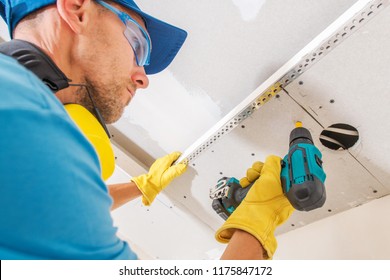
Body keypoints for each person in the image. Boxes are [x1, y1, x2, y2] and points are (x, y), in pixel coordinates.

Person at [0, 0, 293, 260]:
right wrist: (257, 224)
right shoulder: (22, 121)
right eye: (138, 45)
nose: (143, 78)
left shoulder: (20, 124)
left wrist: (142, 186)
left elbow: (52, 207)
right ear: (77, 10)